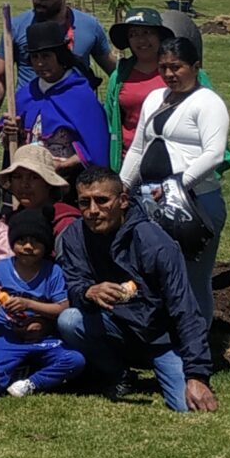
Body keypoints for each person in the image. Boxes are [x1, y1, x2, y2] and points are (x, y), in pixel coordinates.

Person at [55, 170, 218, 412]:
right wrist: (88, 292)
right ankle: (118, 374)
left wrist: (197, 375)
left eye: (102, 200)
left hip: (159, 337)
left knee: (187, 406)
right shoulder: (74, 236)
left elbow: (185, 308)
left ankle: (174, 370)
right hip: (114, 329)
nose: (93, 210)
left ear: (123, 200)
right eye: (84, 202)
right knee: (70, 320)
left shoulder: (154, 242)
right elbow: (74, 284)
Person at [120, 14, 230, 324]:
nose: (169, 74)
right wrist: (121, 186)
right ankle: (165, 336)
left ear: (195, 67)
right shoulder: (155, 98)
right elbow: (138, 148)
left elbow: (214, 153)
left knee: (194, 276)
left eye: (177, 67)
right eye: (164, 67)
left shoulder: (207, 102)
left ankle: (197, 340)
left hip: (197, 201)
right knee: (156, 273)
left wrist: (176, 186)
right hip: (152, 199)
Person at [0, 0, 116, 133]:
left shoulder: (89, 26)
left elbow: (114, 72)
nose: (37, 0)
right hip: (29, 123)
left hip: (74, 122)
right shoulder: (15, 27)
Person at [0, 206, 84, 398]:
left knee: (74, 360)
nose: (28, 247)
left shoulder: (52, 272)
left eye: (36, 242)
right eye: (22, 241)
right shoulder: (1, 268)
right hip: (8, 337)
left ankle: (31, 382)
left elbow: (63, 307)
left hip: (43, 339)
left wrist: (29, 304)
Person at [14, 17, 110, 182]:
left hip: (68, 180)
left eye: (46, 56)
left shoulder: (80, 95)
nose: (40, 63)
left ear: (60, 56)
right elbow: (14, 141)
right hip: (29, 179)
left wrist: (65, 165)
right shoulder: (26, 94)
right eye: (35, 57)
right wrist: (11, 131)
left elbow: (95, 148)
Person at [99, 7, 174, 169]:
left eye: (147, 33)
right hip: (130, 160)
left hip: (174, 159)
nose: (141, 40)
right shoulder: (119, 76)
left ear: (159, 36)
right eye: (133, 34)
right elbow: (109, 120)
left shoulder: (179, 71)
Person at [0, 141, 79, 235]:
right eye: (17, 177)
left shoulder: (66, 225)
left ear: (49, 183)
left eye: (34, 177)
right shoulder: (7, 223)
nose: (24, 184)